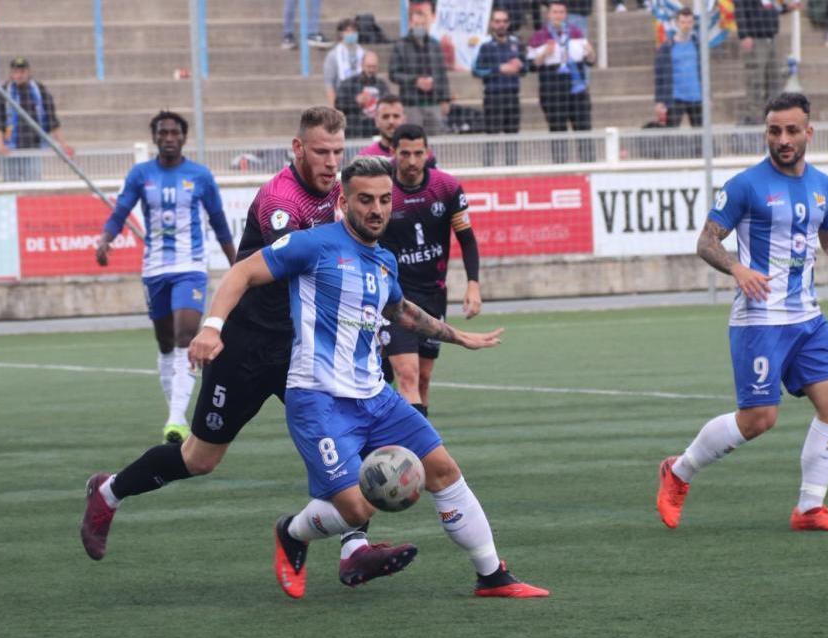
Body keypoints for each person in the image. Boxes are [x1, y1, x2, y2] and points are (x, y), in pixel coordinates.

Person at [189, 155, 549, 600]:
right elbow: (243, 271)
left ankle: (492, 575)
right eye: (365, 200)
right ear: (344, 201)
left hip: (375, 398)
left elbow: (400, 311)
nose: (377, 209)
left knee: (443, 470)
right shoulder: (311, 245)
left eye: (384, 199)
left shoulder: (384, 261)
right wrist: (212, 327)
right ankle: (293, 532)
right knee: (358, 506)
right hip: (318, 400)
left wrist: (458, 337)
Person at [81, 108, 409, 590]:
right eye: (321, 151)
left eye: (338, 152)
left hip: (304, 349)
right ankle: (108, 493)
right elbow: (301, 264)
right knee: (200, 459)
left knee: (349, 436)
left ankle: (354, 548)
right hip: (250, 348)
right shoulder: (281, 201)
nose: (331, 162)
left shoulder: (344, 193)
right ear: (297, 149)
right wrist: (213, 327)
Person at [656, 93, 828, 532]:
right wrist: (737, 268)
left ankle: (809, 508)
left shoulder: (824, 187)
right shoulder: (745, 186)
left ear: (809, 132)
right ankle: (678, 472)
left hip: (807, 318)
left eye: (792, 130)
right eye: (775, 130)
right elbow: (706, 241)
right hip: (759, 319)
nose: (783, 139)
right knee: (759, 420)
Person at [95, 111, 237, 443]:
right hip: (155, 269)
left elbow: (218, 222)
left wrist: (238, 266)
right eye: (163, 132)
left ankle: (175, 421)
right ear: (155, 137)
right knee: (164, 343)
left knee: (186, 335)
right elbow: (120, 212)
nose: (169, 137)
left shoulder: (200, 176)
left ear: (184, 138)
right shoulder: (141, 174)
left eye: (175, 132)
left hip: (190, 267)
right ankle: (177, 412)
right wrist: (104, 240)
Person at [379, 124, 481, 417]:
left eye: (418, 153)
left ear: (427, 152)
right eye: (405, 153)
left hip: (434, 295)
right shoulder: (382, 191)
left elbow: (467, 239)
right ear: (393, 153)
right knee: (407, 375)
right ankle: (414, 451)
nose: (412, 161)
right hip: (394, 298)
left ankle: (418, 454)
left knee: (422, 379)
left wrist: (473, 284)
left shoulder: (446, 187)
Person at [528, 1, 597, 163]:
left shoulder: (576, 33)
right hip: (552, 89)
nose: (558, 16)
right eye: (555, 12)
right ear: (548, 14)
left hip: (577, 90)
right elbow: (530, 66)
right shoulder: (539, 36)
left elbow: (589, 61)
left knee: (584, 129)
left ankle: (588, 165)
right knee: (558, 130)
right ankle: (560, 167)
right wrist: (544, 53)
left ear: (565, 15)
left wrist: (592, 54)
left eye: (561, 12)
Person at [0, 58, 72, 182]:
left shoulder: (40, 91)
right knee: (11, 188)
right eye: (16, 72)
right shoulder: (3, 92)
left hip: (33, 148)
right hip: (10, 149)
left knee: (33, 188)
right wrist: (0, 145)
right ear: (11, 73)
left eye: (22, 71)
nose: (19, 75)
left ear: (28, 72)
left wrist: (63, 144)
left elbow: (52, 120)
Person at [472, 8, 528, 166]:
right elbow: (476, 70)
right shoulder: (485, 45)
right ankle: (488, 169)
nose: (501, 25)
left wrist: (519, 66)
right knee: (491, 137)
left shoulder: (516, 43)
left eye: (504, 21)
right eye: (497, 21)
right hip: (493, 97)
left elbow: (526, 68)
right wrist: (499, 69)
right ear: (492, 24)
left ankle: (512, 169)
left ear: (508, 23)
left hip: (512, 96)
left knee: (512, 137)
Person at [389, 1, 452, 136]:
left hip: (433, 102)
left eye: (423, 24)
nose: (420, 27)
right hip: (411, 103)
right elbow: (393, 74)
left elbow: (442, 74)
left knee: (436, 140)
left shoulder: (435, 45)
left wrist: (445, 99)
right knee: (413, 139)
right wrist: (415, 81)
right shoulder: (401, 46)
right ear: (411, 24)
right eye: (417, 24)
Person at [736, 0, 799, 126]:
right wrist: (744, 35)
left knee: (774, 79)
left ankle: (773, 115)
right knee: (756, 80)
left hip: (772, 37)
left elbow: (776, 8)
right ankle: (754, 117)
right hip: (756, 39)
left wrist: (788, 7)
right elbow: (739, 11)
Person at [653, 7, 703, 127]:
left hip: (696, 97)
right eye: (683, 22)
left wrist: (708, 95)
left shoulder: (698, 45)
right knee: (671, 136)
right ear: (676, 23)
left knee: (701, 136)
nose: (686, 25)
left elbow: (704, 72)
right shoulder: (666, 47)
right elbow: (659, 75)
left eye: (690, 22)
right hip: (675, 97)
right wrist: (659, 101)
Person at [358, 94, 438, 167]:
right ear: (376, 121)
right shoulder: (365, 158)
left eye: (396, 116)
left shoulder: (422, 154)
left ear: (404, 119)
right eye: (385, 117)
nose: (391, 122)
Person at [335, 50, 391, 139]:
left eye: (374, 67)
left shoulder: (382, 85)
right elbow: (338, 105)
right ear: (362, 65)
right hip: (355, 131)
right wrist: (356, 101)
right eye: (369, 66)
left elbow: (389, 105)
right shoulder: (349, 83)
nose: (371, 70)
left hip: (376, 132)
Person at [323, 18, 365, 106]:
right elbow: (329, 84)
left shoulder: (364, 53)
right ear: (341, 34)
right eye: (347, 31)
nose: (351, 34)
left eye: (354, 31)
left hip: (361, 98)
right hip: (342, 99)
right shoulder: (333, 56)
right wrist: (333, 107)